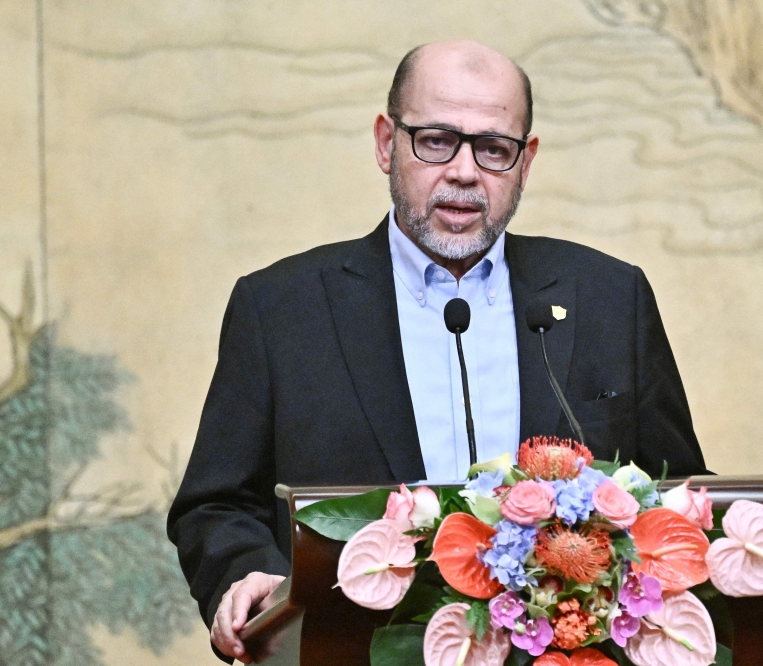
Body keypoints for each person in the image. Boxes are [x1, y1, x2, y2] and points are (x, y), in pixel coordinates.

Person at [167, 40, 707, 663]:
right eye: (435, 140)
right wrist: (245, 575)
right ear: (385, 142)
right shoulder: (281, 309)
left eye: (493, 148)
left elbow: (682, 496)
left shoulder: (612, 298)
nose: (463, 171)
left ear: (525, 163)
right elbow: (217, 503)